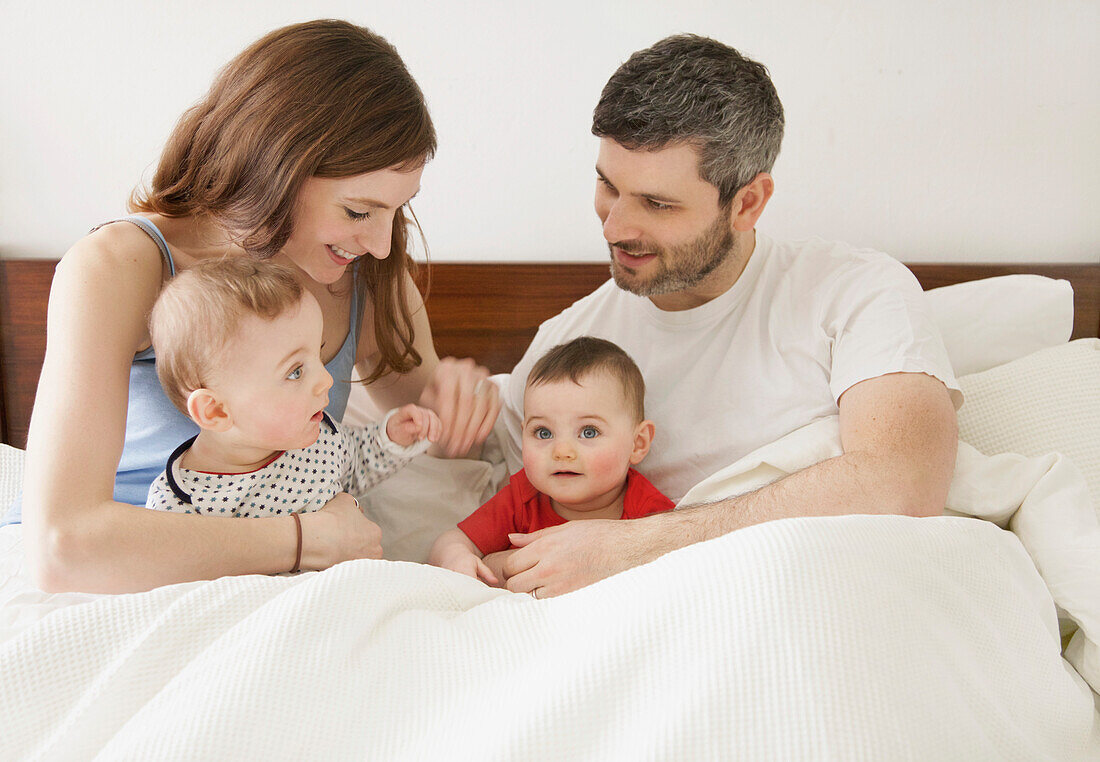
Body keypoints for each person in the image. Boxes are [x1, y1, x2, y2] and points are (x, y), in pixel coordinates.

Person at [18, 20, 500, 593]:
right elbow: (60, 547)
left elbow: (431, 423)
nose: (381, 243)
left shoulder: (364, 273)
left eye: (396, 211)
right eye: (357, 212)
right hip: (135, 582)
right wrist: (307, 540)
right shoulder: (120, 267)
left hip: (294, 581)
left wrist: (459, 405)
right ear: (274, 168)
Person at [496, 34, 960, 599]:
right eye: (607, 186)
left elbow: (904, 482)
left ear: (747, 203)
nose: (614, 226)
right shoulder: (566, 348)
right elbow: (507, 517)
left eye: (657, 204)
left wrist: (638, 546)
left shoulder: (854, 292)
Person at [145, 259, 440, 552]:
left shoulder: (319, 440)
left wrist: (390, 438)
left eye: (319, 353)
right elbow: (176, 581)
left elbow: (356, 463)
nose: (325, 379)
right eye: (295, 371)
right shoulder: (180, 502)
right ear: (216, 411)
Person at [429, 337, 674, 587]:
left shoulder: (650, 512)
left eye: (588, 432)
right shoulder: (522, 498)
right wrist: (457, 558)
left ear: (638, 443)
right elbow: (451, 541)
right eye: (543, 433)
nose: (562, 451)